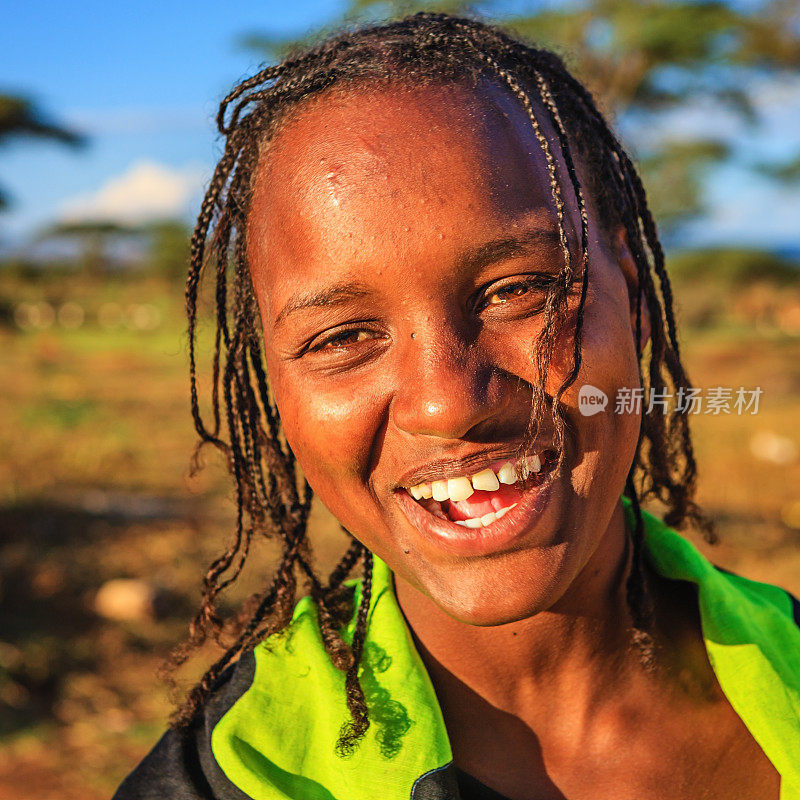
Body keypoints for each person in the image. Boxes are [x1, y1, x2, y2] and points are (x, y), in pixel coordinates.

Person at [113, 12, 800, 800]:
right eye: (342, 337)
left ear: (635, 303)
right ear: (276, 393)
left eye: (519, 291)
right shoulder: (228, 776)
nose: (446, 404)